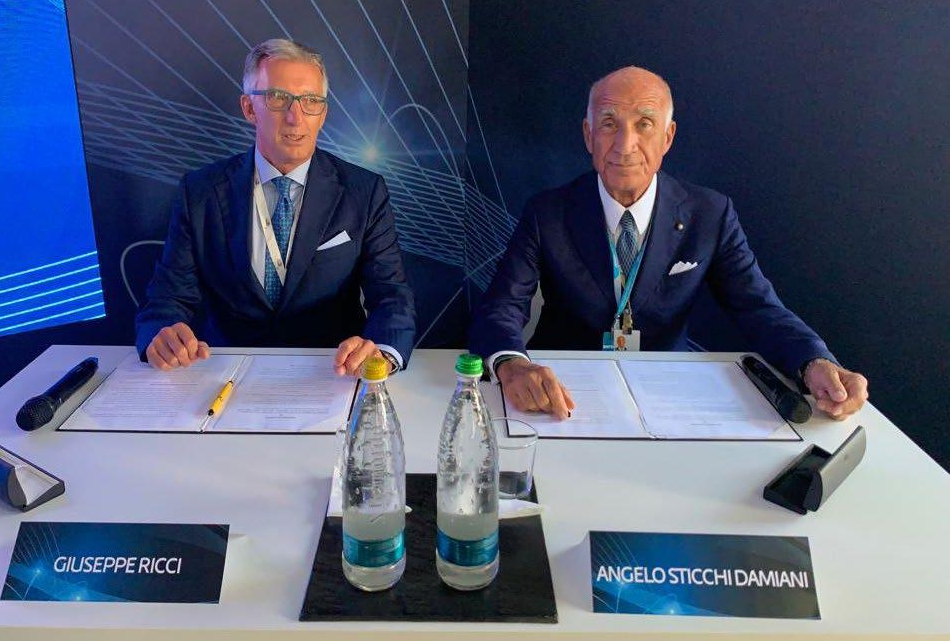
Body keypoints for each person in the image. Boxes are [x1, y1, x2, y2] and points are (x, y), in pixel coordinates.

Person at [469, 66, 867, 420]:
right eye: (608, 124)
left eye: (644, 124)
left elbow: (758, 308)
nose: (625, 144)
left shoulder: (710, 214)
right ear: (589, 136)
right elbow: (502, 306)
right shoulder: (547, 212)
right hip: (564, 391)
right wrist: (512, 365)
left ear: (667, 137)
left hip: (670, 394)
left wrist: (813, 361)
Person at [135, 39, 415, 376]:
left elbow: (391, 296)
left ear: (323, 114)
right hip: (225, 374)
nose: (296, 117)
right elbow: (167, 299)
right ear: (249, 108)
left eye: (310, 101)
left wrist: (383, 352)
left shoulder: (364, 192)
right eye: (278, 98)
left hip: (330, 372)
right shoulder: (200, 192)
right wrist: (161, 334)